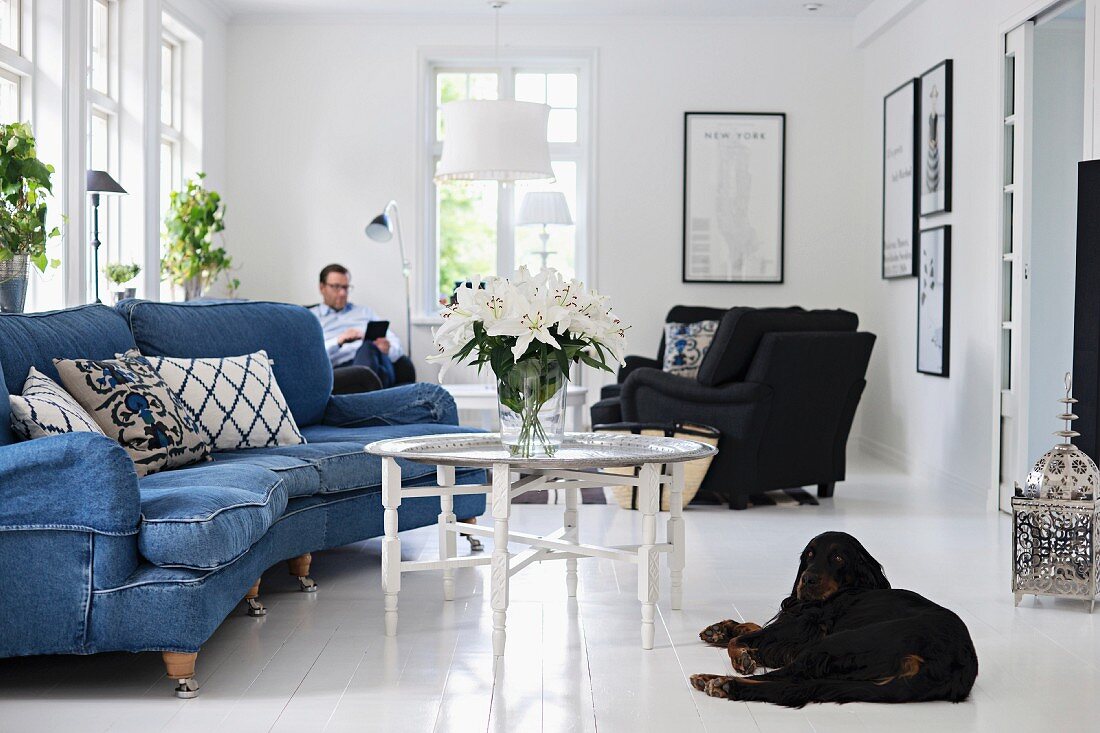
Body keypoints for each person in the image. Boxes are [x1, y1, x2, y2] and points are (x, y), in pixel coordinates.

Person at [310, 264, 403, 389]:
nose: (343, 293)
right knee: (375, 372)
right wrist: (338, 341)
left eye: (346, 287)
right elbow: (312, 356)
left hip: (376, 359)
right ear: (322, 288)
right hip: (343, 369)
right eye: (336, 287)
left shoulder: (364, 312)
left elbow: (395, 344)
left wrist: (388, 348)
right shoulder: (311, 317)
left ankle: (368, 396)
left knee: (369, 346)